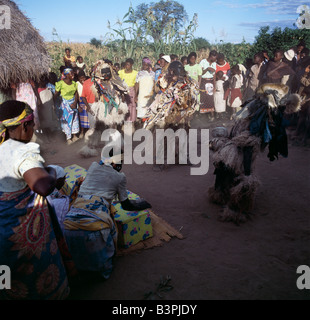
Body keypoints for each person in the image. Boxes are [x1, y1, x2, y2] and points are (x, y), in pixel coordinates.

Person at [0, 100, 74, 300]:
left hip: (3, 228)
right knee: (34, 276)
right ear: (24, 125)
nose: (34, 127)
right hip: (19, 233)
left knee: (8, 281)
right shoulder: (22, 150)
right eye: (32, 123)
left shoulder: (2, 147)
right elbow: (42, 186)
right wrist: (51, 173)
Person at [63, 149, 151, 279]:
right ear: (116, 163)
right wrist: (143, 204)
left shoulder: (93, 166)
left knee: (80, 258)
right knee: (106, 257)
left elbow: (103, 162)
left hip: (68, 225)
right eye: (122, 162)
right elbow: (126, 205)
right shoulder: (120, 177)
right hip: (95, 229)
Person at [55, 68, 80, 144]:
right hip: (65, 105)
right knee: (67, 121)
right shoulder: (60, 84)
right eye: (71, 73)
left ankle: (74, 135)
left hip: (73, 103)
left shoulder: (74, 83)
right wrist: (55, 104)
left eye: (73, 73)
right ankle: (68, 138)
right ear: (66, 75)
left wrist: (75, 103)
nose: (73, 75)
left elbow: (76, 93)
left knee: (75, 120)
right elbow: (56, 95)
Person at [118, 58, 138, 123]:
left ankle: (132, 121)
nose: (127, 66)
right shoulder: (121, 72)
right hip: (123, 91)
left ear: (132, 65)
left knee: (132, 105)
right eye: (126, 64)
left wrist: (136, 95)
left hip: (132, 91)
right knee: (124, 105)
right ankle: (124, 121)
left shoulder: (135, 73)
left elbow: (136, 84)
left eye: (128, 65)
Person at [199, 50, 218, 119]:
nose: (215, 59)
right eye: (215, 58)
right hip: (204, 81)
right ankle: (203, 116)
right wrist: (207, 69)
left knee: (210, 99)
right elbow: (200, 73)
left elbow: (214, 75)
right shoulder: (203, 62)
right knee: (203, 99)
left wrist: (215, 86)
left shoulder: (214, 64)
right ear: (211, 56)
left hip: (210, 82)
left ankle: (212, 115)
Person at [77, 71, 90, 137]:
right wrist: (78, 105)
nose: (82, 79)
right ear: (78, 78)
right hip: (81, 102)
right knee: (82, 118)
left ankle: (88, 132)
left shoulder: (87, 83)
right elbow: (76, 95)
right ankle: (82, 131)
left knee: (88, 117)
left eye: (84, 77)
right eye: (81, 78)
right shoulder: (77, 84)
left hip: (87, 101)